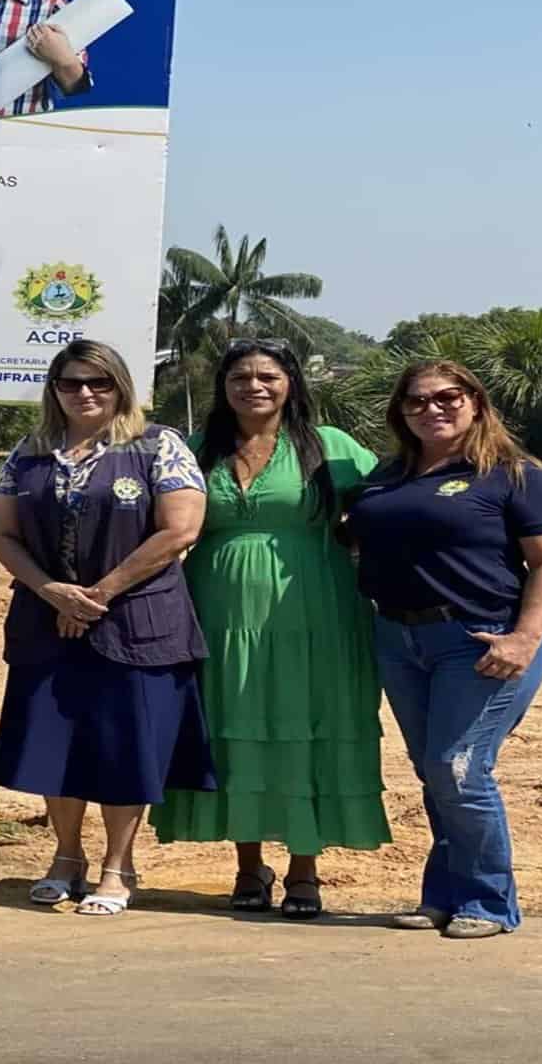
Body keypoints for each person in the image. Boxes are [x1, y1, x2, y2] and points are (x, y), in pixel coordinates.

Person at [149, 341, 391, 919]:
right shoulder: (198, 447)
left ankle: (305, 869)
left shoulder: (331, 448)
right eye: (240, 376)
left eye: (267, 376)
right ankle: (248, 865)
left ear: (291, 384)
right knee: (236, 727)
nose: (253, 386)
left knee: (306, 726)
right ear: (223, 385)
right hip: (218, 610)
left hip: (317, 612)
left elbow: (390, 506)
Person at [0, 340, 214, 916]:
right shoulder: (29, 451)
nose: (84, 393)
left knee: (124, 745)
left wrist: (99, 594)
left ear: (121, 387)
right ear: (53, 389)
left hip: (138, 621)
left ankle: (118, 866)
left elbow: (179, 530)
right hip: (45, 619)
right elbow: (1, 534)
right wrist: (50, 590)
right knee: (54, 741)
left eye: (99, 382)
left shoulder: (158, 445)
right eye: (70, 382)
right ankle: (66, 857)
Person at [345, 361, 542, 939]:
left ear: (475, 402)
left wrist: (525, 638)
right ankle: (442, 896)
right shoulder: (386, 476)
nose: (433, 409)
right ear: (401, 412)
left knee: (459, 769)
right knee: (434, 772)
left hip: (482, 639)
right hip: (399, 639)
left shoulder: (513, 475)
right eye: (416, 401)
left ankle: (489, 903)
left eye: (448, 397)